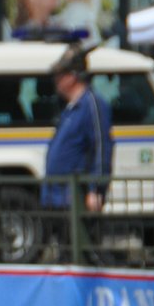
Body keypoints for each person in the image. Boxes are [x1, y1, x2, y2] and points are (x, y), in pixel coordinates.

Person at [41, 45, 112, 213]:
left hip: (76, 199)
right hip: (57, 199)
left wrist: (96, 189)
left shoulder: (92, 104)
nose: (56, 80)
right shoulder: (69, 108)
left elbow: (101, 147)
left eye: (60, 75)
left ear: (72, 76)